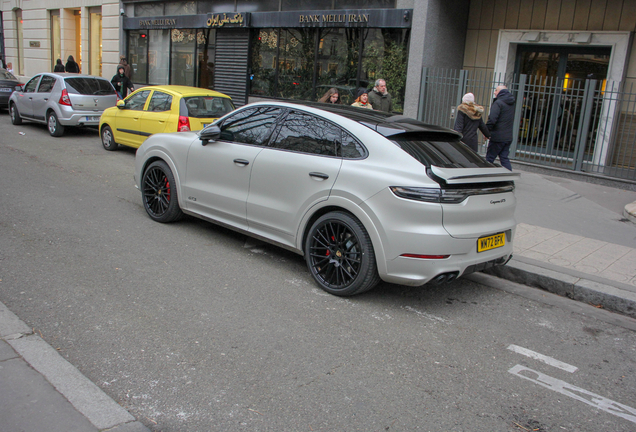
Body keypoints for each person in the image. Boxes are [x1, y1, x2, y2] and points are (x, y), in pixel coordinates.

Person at [485, 85, 516, 170]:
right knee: (504, 158)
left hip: (497, 136)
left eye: (496, 90)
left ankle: (485, 177)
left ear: (500, 92)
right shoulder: (511, 103)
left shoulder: (498, 103)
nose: (494, 92)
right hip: (508, 136)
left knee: (489, 159)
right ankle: (509, 177)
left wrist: (486, 132)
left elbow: (492, 119)